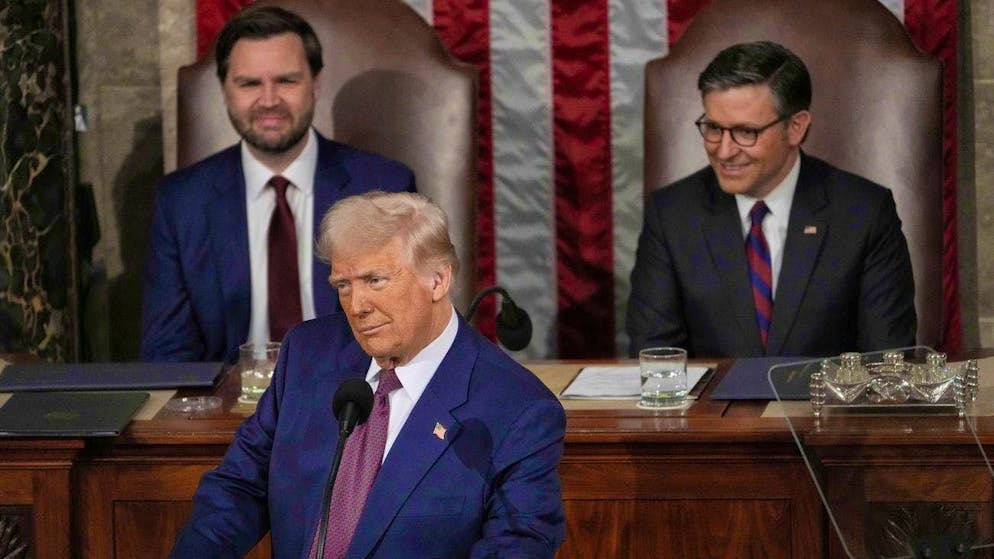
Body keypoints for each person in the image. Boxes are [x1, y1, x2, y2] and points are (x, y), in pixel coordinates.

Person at [169, 191, 566, 558]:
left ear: (439, 279)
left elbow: (517, 545)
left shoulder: (518, 410)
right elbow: (239, 489)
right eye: (343, 285)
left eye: (375, 280)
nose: (357, 306)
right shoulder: (308, 356)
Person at [141, 5, 415, 363]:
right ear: (225, 89)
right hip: (227, 407)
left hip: (350, 401)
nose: (269, 100)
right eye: (250, 83)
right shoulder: (180, 202)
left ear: (315, 84)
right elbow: (167, 355)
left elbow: (404, 329)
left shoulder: (382, 186)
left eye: (286, 80)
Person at [626, 41, 916, 358]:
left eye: (745, 132)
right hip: (710, 407)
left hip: (824, 406)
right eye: (713, 128)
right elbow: (655, 358)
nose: (723, 151)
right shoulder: (671, 214)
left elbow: (888, 362)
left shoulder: (864, 213)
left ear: (795, 127)